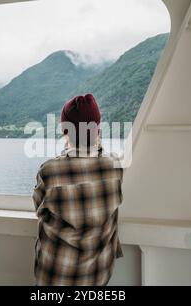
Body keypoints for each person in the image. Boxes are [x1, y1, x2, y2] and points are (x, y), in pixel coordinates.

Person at [32, 93, 124, 286]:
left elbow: (39, 209)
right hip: (98, 277)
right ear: (97, 128)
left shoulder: (49, 171)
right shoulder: (115, 165)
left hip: (55, 277)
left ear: (65, 130)